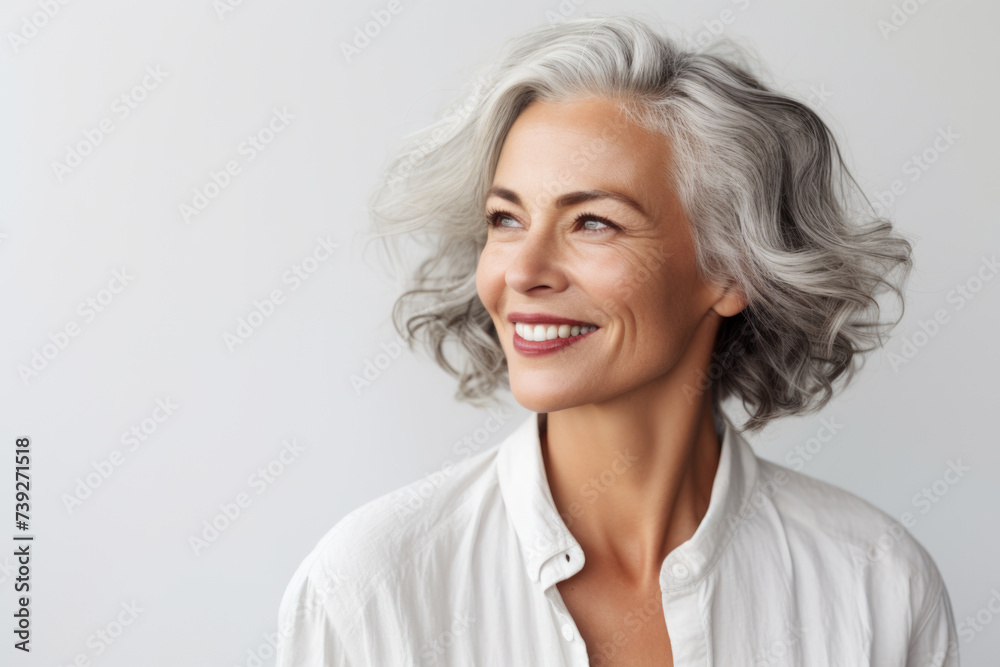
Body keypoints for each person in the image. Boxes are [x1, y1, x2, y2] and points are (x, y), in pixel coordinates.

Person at [276, 14, 959, 666]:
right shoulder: (369, 588)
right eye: (506, 218)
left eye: (593, 222)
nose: (523, 270)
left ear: (729, 268)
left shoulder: (876, 583)